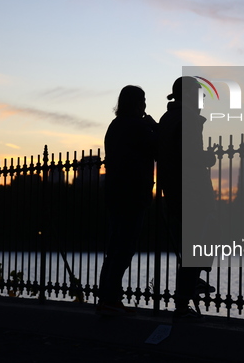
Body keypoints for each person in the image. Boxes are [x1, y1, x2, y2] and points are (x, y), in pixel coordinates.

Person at [157, 76, 216, 321]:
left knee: (192, 243)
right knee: (199, 242)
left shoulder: (167, 119)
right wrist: (208, 159)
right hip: (192, 191)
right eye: (200, 95)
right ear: (191, 95)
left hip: (173, 189)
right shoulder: (189, 119)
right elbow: (189, 156)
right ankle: (185, 297)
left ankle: (191, 284)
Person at [97, 85, 157, 316]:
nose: (144, 104)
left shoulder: (116, 126)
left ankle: (107, 299)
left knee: (115, 248)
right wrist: (154, 127)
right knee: (124, 248)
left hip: (116, 193)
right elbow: (157, 148)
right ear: (135, 103)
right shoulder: (137, 125)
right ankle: (111, 299)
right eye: (142, 100)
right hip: (132, 194)